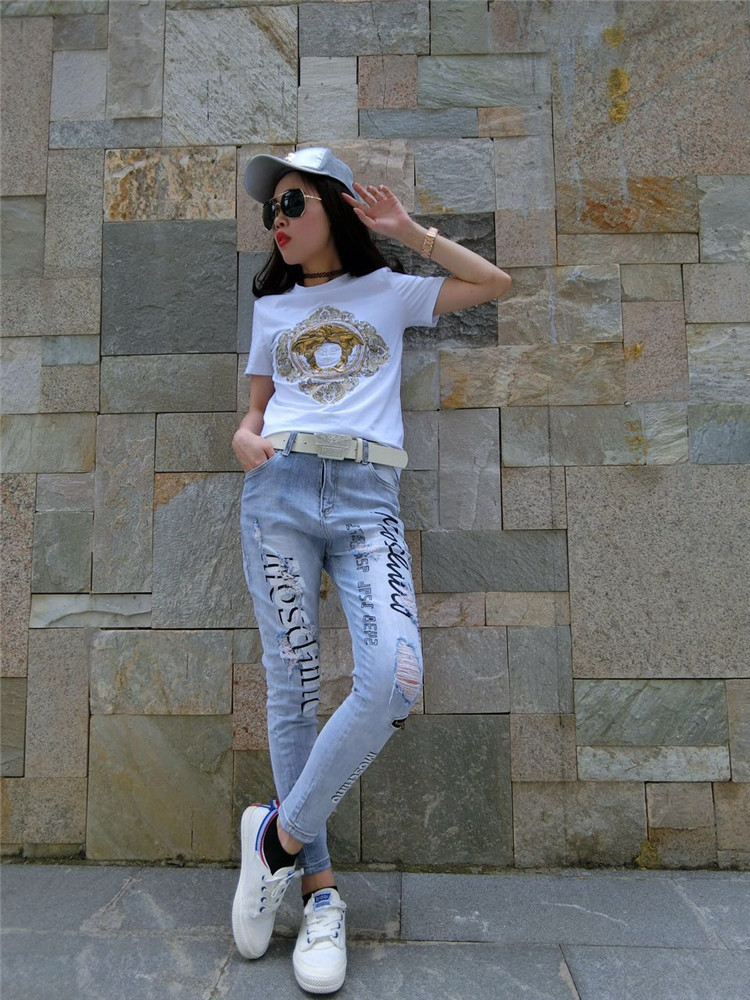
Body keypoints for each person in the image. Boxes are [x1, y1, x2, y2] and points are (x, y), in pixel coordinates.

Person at [231, 146, 511, 994]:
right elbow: (253, 411)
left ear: (337, 208)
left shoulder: (390, 291)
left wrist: (411, 232)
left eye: (292, 204)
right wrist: (243, 437)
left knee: (394, 678)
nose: (277, 221)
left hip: (366, 501)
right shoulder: (273, 308)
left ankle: (273, 840)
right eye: (271, 210)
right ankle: (318, 892)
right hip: (278, 493)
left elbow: (493, 283)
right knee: (293, 688)